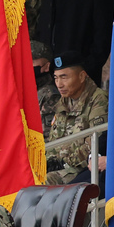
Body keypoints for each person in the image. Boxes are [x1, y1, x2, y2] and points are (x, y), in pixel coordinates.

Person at [46, 52, 108, 184]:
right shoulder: (63, 102)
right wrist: (49, 161)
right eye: (56, 78)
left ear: (81, 76)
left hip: (82, 168)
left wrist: (62, 162)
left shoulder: (98, 99)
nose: (59, 84)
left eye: (64, 77)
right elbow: (53, 140)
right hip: (59, 167)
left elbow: (96, 142)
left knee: (44, 182)